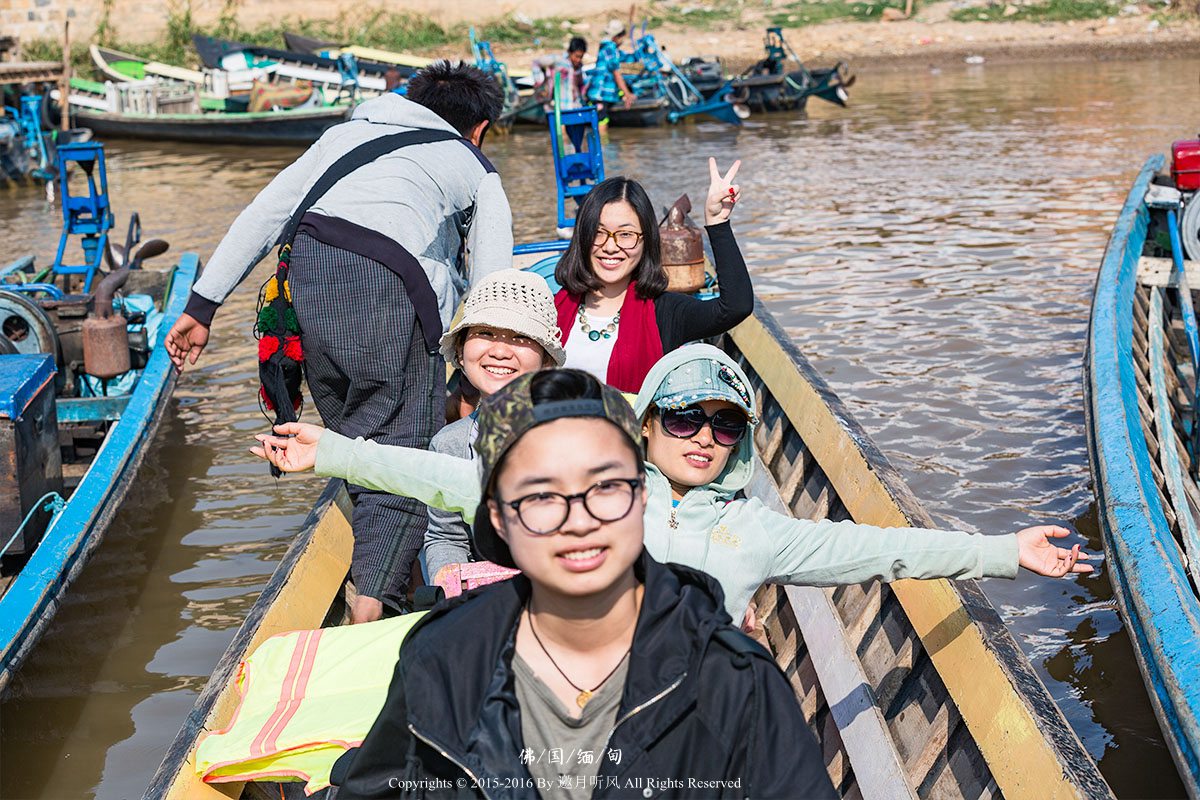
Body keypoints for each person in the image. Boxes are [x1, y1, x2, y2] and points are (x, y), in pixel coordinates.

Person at [251, 346, 1093, 629]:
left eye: (727, 425)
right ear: (648, 420)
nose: (704, 438)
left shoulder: (760, 529)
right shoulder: (597, 485)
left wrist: (1002, 551)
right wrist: (333, 452)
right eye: (685, 418)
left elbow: (879, 549)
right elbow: (447, 475)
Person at [334, 369, 836, 799]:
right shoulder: (443, 660)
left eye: (606, 487)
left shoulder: (733, 681)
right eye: (541, 496)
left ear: (641, 498)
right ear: (500, 518)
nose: (579, 521)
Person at [170, 61, 513, 624]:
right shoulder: (473, 166)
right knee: (401, 451)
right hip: (392, 296)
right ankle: (372, 605)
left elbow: (266, 213)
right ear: (478, 129)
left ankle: (377, 575)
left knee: (355, 441)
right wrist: (485, 377)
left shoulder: (341, 136)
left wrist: (201, 307)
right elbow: (493, 284)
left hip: (309, 288)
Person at [553, 160, 752, 393]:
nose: (610, 246)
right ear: (582, 237)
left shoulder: (663, 312)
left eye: (626, 234)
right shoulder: (552, 308)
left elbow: (736, 307)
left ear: (646, 240)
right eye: (598, 232)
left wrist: (718, 224)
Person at [425, 269, 565, 583]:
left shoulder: (579, 434)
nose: (500, 351)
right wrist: (450, 582)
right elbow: (446, 537)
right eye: (485, 333)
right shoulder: (449, 444)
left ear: (545, 360)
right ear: (461, 352)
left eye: (520, 337)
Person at [585, 21, 636, 127]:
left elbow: (626, 57)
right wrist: (627, 94)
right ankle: (602, 143)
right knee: (602, 124)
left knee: (602, 121)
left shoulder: (607, 48)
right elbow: (616, 73)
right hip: (600, 94)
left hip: (603, 94)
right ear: (618, 37)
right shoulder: (610, 49)